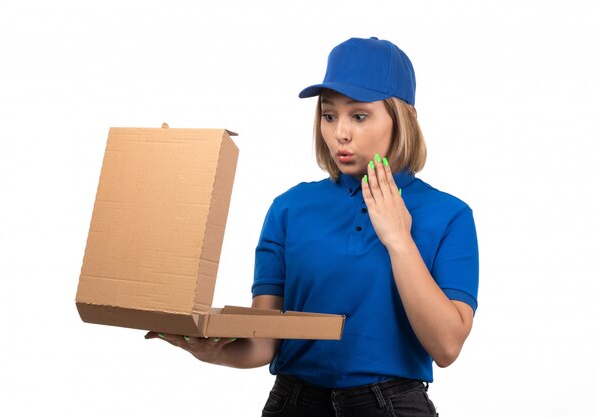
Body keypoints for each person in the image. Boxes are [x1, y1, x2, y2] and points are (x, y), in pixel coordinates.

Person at [146, 36, 479, 417]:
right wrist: (212, 351)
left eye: (358, 115)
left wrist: (399, 240)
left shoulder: (448, 214)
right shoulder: (290, 207)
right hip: (294, 402)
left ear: (401, 118)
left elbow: (447, 347)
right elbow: (264, 343)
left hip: (391, 406)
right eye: (329, 114)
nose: (340, 133)